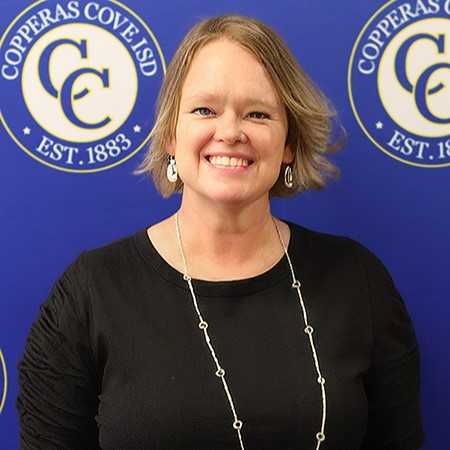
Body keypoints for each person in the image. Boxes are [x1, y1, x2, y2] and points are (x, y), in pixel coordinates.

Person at [17, 14, 424, 450]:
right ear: (171, 135)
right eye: (205, 110)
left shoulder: (357, 281)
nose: (230, 132)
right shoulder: (90, 294)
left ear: (289, 143)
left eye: (257, 114)